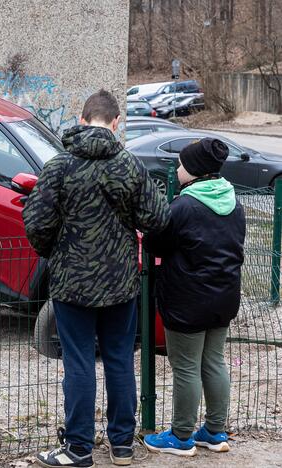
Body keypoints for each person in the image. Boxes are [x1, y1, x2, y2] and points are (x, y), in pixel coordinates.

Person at [23, 89, 171, 467]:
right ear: (116, 122)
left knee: (79, 363)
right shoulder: (130, 165)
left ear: (83, 119)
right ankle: (122, 445)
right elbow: (157, 218)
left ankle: (78, 448)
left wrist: (55, 252)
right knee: (120, 360)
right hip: (121, 283)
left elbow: (36, 222)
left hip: (72, 284)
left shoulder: (59, 166)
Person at [142, 138, 245, 456]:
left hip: (188, 300)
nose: (178, 168)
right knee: (213, 361)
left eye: (182, 164)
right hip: (224, 297)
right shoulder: (233, 203)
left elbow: (155, 244)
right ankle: (215, 431)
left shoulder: (184, 206)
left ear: (196, 171)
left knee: (185, 367)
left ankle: (181, 436)